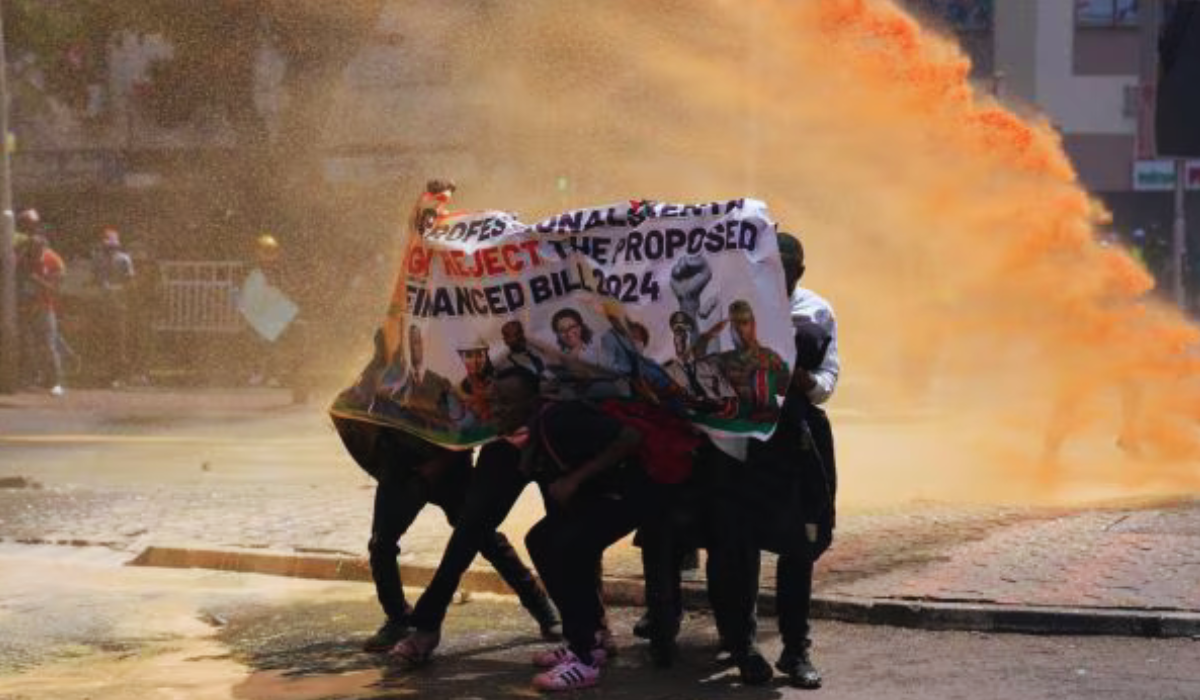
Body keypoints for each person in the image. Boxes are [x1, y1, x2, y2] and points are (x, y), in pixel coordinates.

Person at [331, 403, 559, 653]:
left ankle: (542, 608)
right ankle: (398, 619)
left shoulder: (448, 368)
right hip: (402, 469)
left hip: (449, 465)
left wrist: (441, 463)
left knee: (482, 537)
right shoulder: (388, 370)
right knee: (381, 544)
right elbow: (353, 407)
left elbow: (471, 419)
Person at [490, 366, 646, 692]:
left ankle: (584, 660)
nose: (497, 409)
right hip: (606, 497)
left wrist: (575, 479)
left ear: (532, 401)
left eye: (506, 402)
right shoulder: (535, 428)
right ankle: (591, 640)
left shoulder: (560, 419)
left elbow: (630, 437)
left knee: (566, 548)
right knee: (542, 539)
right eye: (495, 400)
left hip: (635, 496)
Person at [742, 231, 840, 689]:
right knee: (737, 544)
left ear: (800, 272)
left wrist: (801, 378)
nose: (778, 277)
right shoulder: (738, 308)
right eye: (770, 268)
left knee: (799, 546)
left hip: (796, 439)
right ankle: (742, 647)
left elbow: (827, 378)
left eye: (788, 270)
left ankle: (795, 650)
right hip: (743, 439)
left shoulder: (814, 311)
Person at [717, 300, 790, 422]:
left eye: (743, 323)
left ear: (753, 325)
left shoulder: (770, 358)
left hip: (761, 430)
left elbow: (785, 397)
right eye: (734, 324)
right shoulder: (724, 359)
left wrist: (772, 413)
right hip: (730, 427)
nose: (738, 329)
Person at [17, 235, 67, 396]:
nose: (34, 252)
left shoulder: (52, 259)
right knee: (27, 344)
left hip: (45, 306)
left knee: (48, 344)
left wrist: (38, 280)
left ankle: (57, 381)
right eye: (32, 249)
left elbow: (56, 285)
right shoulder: (24, 258)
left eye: (37, 249)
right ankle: (33, 377)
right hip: (26, 306)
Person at [90, 226, 136, 387]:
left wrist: (118, 290)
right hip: (102, 303)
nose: (108, 248)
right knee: (104, 339)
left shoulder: (124, 259)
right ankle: (107, 373)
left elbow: (130, 281)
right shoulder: (97, 258)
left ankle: (120, 375)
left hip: (119, 304)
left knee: (119, 340)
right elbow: (94, 278)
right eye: (106, 245)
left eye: (110, 245)